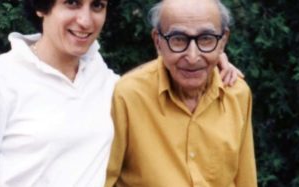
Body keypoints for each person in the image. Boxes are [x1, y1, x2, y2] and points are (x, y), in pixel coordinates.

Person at [0, 0, 241, 186]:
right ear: (42, 7)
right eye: (72, 3)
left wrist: (210, 60)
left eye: (97, 6)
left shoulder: (112, 86)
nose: (86, 20)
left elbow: (174, 74)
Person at [105, 0, 257, 186]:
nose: (192, 57)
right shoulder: (128, 95)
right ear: (158, 42)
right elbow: (103, 180)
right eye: (178, 39)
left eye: (206, 39)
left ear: (222, 41)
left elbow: (245, 180)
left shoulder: (237, 93)